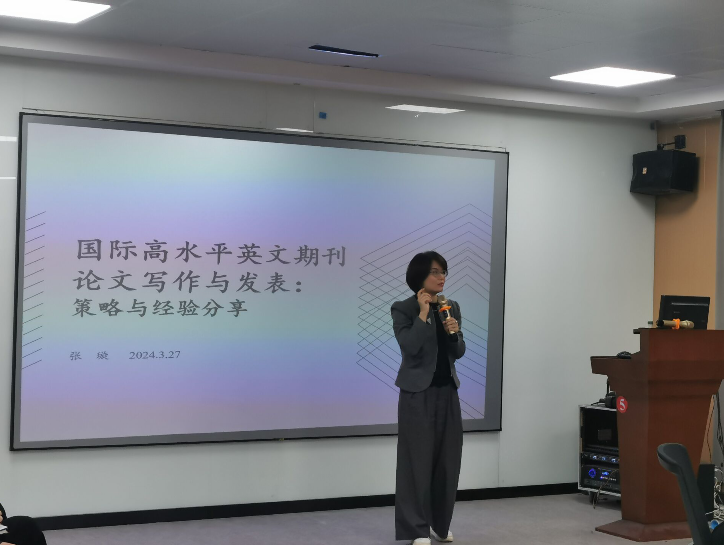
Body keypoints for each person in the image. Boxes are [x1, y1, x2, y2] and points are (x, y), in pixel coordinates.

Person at [391, 251, 465, 545]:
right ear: (420, 275)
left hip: (447, 392)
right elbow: (409, 348)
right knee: (416, 463)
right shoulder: (404, 308)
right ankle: (416, 529)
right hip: (417, 394)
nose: (441, 277)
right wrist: (422, 315)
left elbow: (458, 352)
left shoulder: (451, 306)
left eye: (443, 271)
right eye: (435, 271)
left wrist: (454, 334)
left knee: (447, 462)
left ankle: (440, 524)